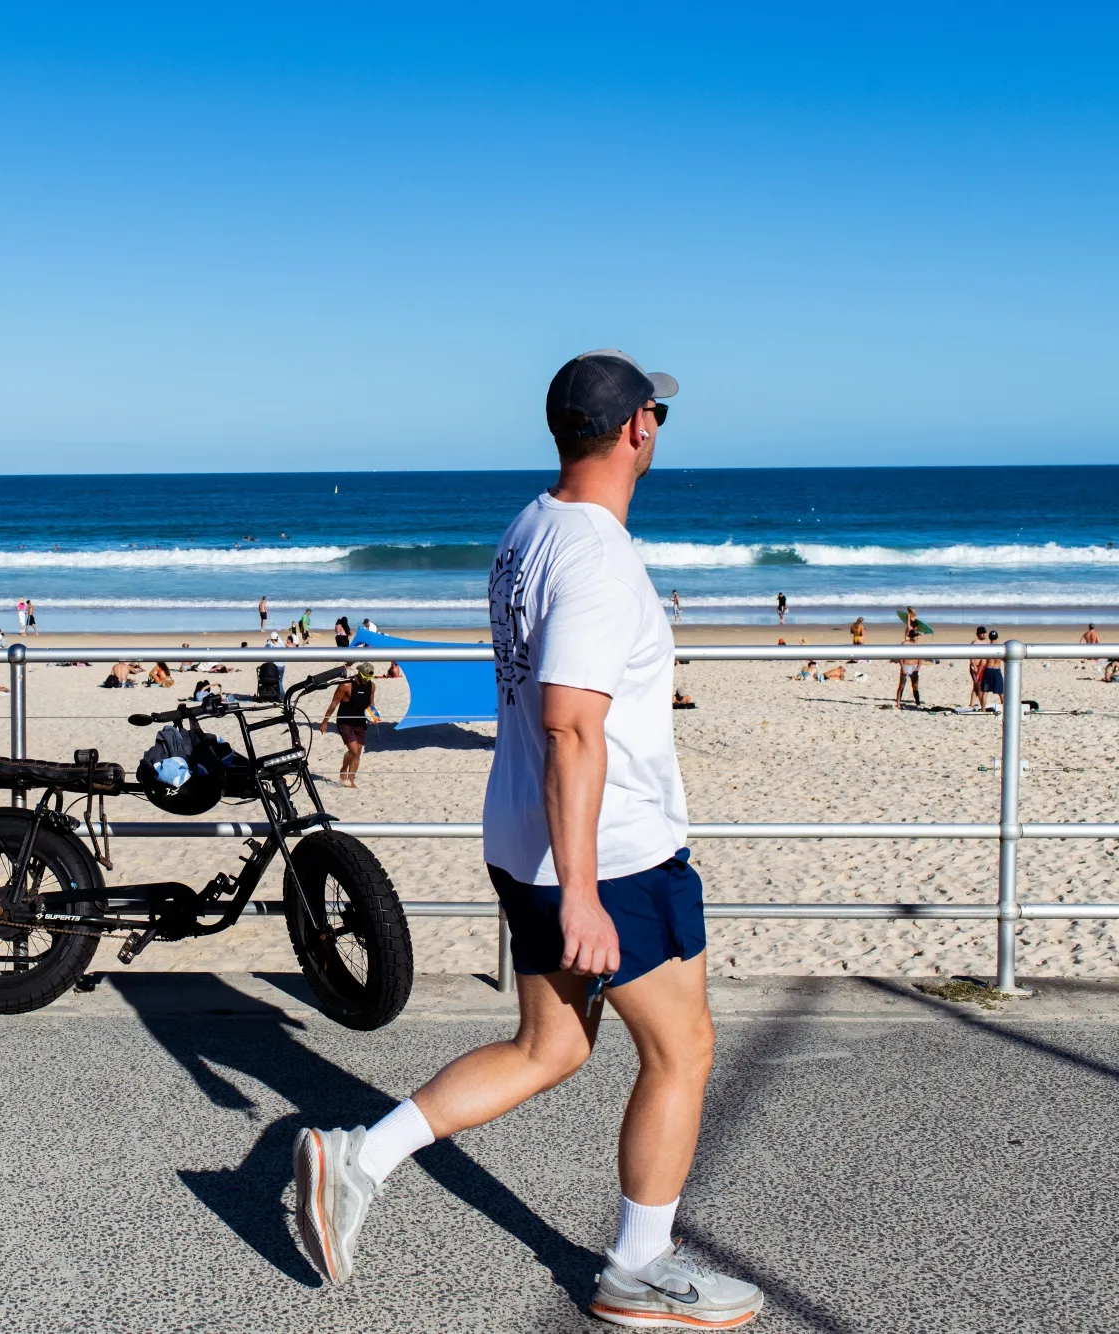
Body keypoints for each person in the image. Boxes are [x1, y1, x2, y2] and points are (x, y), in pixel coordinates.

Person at [292, 349, 763, 1326]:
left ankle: (358, 1158)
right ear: (635, 427)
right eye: (657, 416)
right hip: (609, 853)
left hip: (521, 838)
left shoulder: (528, 529)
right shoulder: (594, 557)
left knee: (549, 1043)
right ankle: (638, 1267)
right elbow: (567, 722)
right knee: (682, 1049)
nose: (658, 429)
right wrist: (584, 888)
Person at [319, 663, 376, 788]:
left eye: (369, 678)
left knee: (357, 753)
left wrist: (373, 715)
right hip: (345, 722)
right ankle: (344, 769)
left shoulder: (371, 686)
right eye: (365, 677)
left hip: (360, 722)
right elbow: (334, 703)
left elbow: (371, 703)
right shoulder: (346, 685)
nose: (367, 680)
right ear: (359, 673)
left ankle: (351, 780)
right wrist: (325, 721)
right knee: (354, 750)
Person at [896, 631, 924, 706]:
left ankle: (918, 703)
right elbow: (900, 657)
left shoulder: (918, 645)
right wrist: (902, 668)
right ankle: (898, 703)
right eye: (915, 636)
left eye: (917, 636)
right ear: (911, 636)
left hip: (914, 666)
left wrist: (918, 667)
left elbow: (920, 657)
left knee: (915, 686)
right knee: (901, 686)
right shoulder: (905, 644)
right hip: (906, 666)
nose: (916, 637)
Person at [979, 630, 1006, 709]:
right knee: (1001, 692)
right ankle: (1004, 709)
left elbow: (983, 660)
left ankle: (983, 709)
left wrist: (979, 671)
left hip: (989, 669)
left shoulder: (987, 647)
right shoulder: (1001, 648)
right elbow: (1004, 658)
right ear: (997, 637)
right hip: (997, 669)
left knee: (985, 692)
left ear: (989, 637)